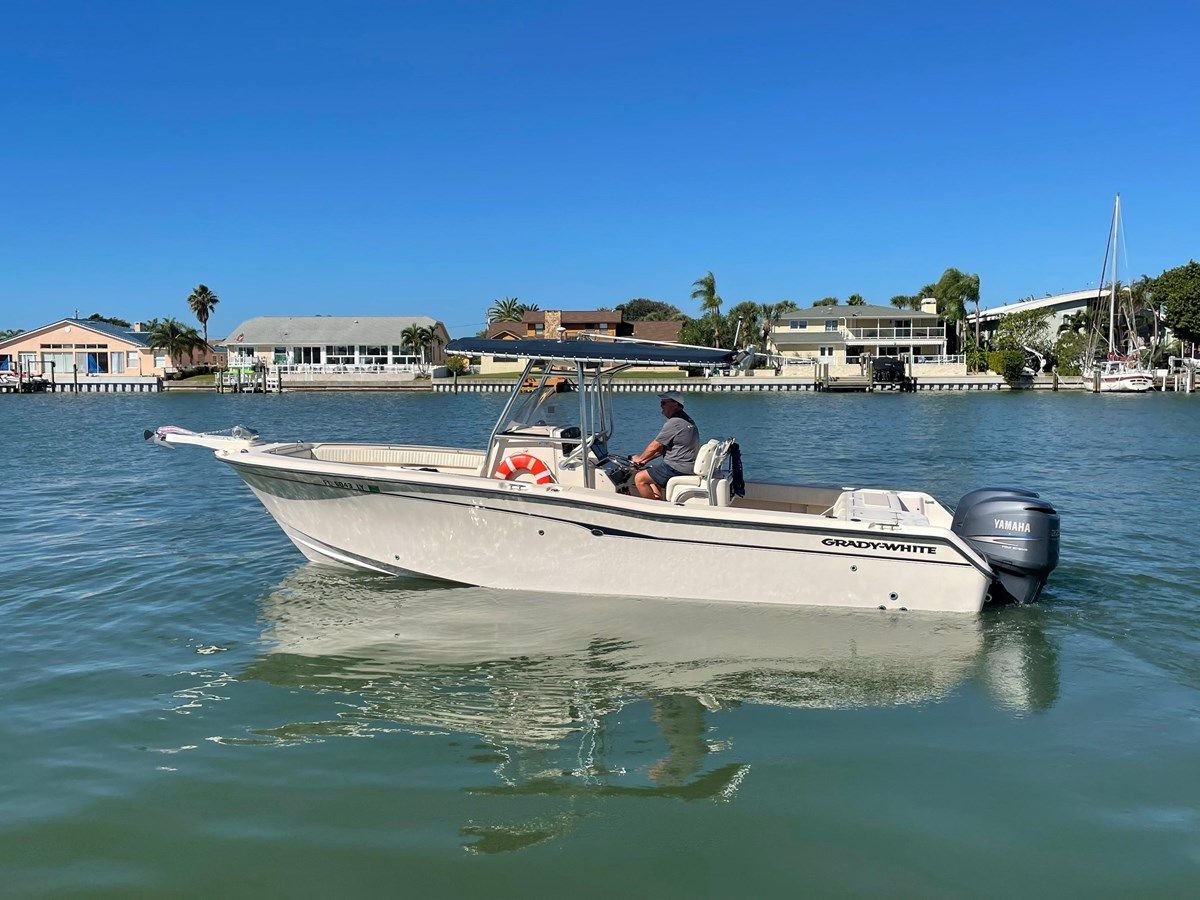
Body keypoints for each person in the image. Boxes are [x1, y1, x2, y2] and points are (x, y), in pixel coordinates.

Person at [630, 392, 699, 500]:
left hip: (676, 468)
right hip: (685, 465)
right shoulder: (687, 419)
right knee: (651, 475)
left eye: (664, 403)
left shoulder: (675, 422)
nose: (661, 406)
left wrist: (639, 458)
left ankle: (652, 507)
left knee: (640, 478)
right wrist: (646, 460)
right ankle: (657, 501)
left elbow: (654, 446)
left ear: (675, 404)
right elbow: (662, 448)